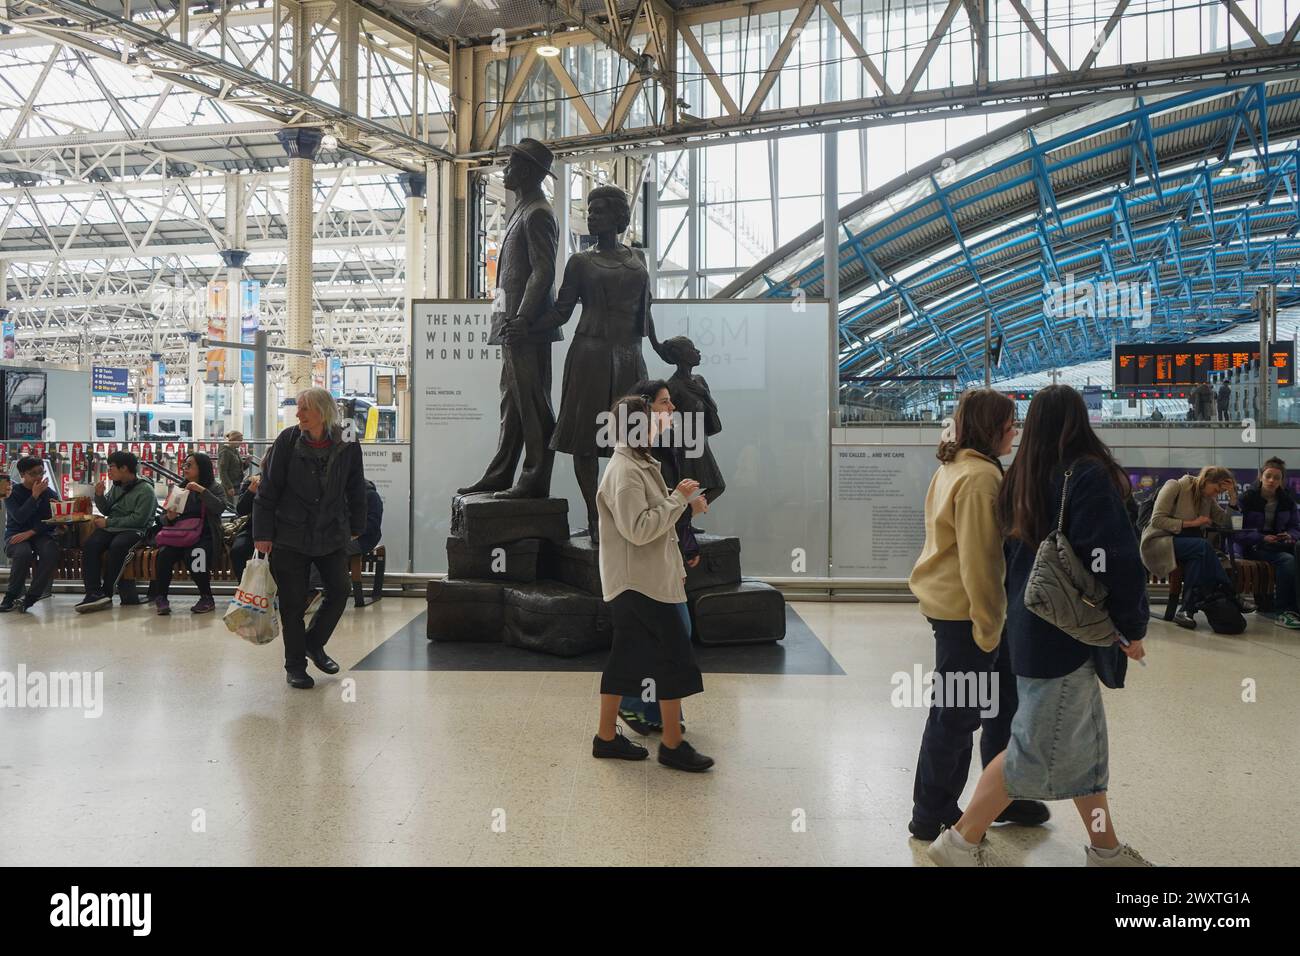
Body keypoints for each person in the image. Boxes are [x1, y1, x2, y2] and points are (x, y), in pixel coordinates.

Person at [928, 385, 1152, 867]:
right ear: (1079, 421)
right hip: (1065, 638)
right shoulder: (1087, 476)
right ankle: (960, 841)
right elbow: (1117, 558)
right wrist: (1132, 626)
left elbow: (1004, 560)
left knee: (1085, 751)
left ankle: (1106, 850)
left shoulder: (1018, 478)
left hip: (1030, 628)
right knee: (1026, 750)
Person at [906, 389, 1048, 841]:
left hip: (968, 613)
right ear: (992, 428)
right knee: (956, 714)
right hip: (968, 617)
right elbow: (981, 562)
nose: (1015, 432)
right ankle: (932, 811)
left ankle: (1003, 791)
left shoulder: (956, 467)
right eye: (1009, 424)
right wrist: (988, 629)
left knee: (1001, 709)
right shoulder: (979, 478)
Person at [591, 393, 712, 771]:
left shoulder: (638, 463)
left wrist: (680, 503)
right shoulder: (625, 472)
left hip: (642, 580)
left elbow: (651, 524)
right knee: (674, 657)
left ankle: (606, 738)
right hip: (638, 584)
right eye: (652, 417)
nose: (661, 421)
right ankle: (672, 744)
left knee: (626, 658)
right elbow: (639, 530)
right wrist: (678, 500)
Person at [544, 184, 664, 543]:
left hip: (630, 356)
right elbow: (561, 312)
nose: (591, 216)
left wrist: (660, 347)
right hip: (590, 355)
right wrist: (524, 322)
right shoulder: (580, 262)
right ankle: (595, 518)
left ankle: (629, 513)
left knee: (631, 438)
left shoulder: (637, 260)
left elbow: (647, 312)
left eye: (598, 210)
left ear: (617, 216)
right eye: (589, 210)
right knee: (585, 439)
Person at [456, 138, 559, 500]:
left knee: (532, 402)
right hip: (512, 325)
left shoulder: (539, 213)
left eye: (511, 164)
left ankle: (534, 477)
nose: (504, 170)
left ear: (528, 171)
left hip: (524, 327)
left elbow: (543, 272)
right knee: (512, 402)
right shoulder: (523, 209)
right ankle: (501, 473)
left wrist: (523, 317)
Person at [253, 387, 366, 689]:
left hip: (331, 531)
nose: (298, 414)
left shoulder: (346, 439)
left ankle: (313, 643)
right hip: (290, 533)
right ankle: (295, 666)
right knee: (291, 604)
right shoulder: (288, 440)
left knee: (340, 591)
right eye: (298, 408)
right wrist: (262, 533)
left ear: (322, 411)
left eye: (304, 408)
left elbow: (356, 484)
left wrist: (357, 523)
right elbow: (268, 490)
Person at [617, 380, 708, 736]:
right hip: (646, 569)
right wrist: (686, 507)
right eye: (665, 403)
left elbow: (664, 508)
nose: (671, 409)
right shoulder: (632, 465)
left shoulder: (652, 455)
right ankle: (638, 706)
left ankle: (656, 712)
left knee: (672, 636)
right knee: (670, 636)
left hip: (661, 564)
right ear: (645, 410)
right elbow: (645, 521)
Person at [1140, 465, 1239, 629]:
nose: (1216, 494)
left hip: (1189, 546)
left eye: (1219, 493)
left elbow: (1225, 522)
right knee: (1202, 546)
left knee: (1197, 558)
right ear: (1206, 481)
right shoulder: (1175, 486)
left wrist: (1233, 498)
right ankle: (1230, 593)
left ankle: (1186, 611)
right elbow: (1157, 520)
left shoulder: (1207, 499)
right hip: (1160, 541)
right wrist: (1193, 523)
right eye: (1215, 489)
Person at [76, 450, 157, 613]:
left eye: (112, 467)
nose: (109, 471)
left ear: (124, 468)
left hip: (135, 531)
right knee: (91, 545)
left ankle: (106, 592)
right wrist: (99, 496)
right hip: (112, 528)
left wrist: (108, 522)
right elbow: (107, 509)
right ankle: (93, 592)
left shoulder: (146, 490)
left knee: (118, 546)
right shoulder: (117, 486)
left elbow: (139, 520)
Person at [148, 452, 225, 615]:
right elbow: (163, 517)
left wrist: (201, 491)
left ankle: (206, 597)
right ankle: (161, 597)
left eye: (189, 465)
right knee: (164, 555)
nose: (185, 468)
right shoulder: (180, 488)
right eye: (184, 465)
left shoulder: (214, 487)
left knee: (196, 554)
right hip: (179, 535)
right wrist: (169, 517)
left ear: (201, 468)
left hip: (205, 534)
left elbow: (219, 508)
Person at [1236, 457, 1300, 629]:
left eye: (1276, 478)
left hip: (1279, 544)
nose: (1272, 481)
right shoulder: (1246, 498)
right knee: (1287, 560)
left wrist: (1289, 536)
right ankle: (1283, 611)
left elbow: (1296, 526)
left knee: (1294, 555)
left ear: (1282, 480)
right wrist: (1261, 537)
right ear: (1261, 476)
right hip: (1252, 546)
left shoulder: (1287, 501)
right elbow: (1237, 531)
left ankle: (1296, 609)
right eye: (1268, 476)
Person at [2, 456, 61, 613]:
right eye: (33, 473)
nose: (38, 477)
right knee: (23, 552)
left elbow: (54, 519)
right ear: (22, 475)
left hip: (40, 534)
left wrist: (32, 531)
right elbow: (19, 517)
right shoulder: (11, 493)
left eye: (41, 472)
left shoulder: (49, 493)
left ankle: (32, 596)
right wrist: (34, 496)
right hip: (16, 534)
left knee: (50, 551)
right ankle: (11, 596)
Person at [229, 473, 261, 582]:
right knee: (237, 550)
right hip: (253, 527)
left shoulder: (286, 479)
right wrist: (251, 491)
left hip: (281, 528)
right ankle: (244, 588)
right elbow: (241, 510)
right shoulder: (252, 480)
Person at [219, 432, 246, 502]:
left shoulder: (235, 451)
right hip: (229, 484)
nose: (241, 443)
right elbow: (222, 471)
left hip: (236, 483)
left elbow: (239, 467)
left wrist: (246, 463)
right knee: (230, 505)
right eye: (239, 441)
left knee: (235, 504)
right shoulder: (225, 452)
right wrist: (229, 487)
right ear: (233, 440)